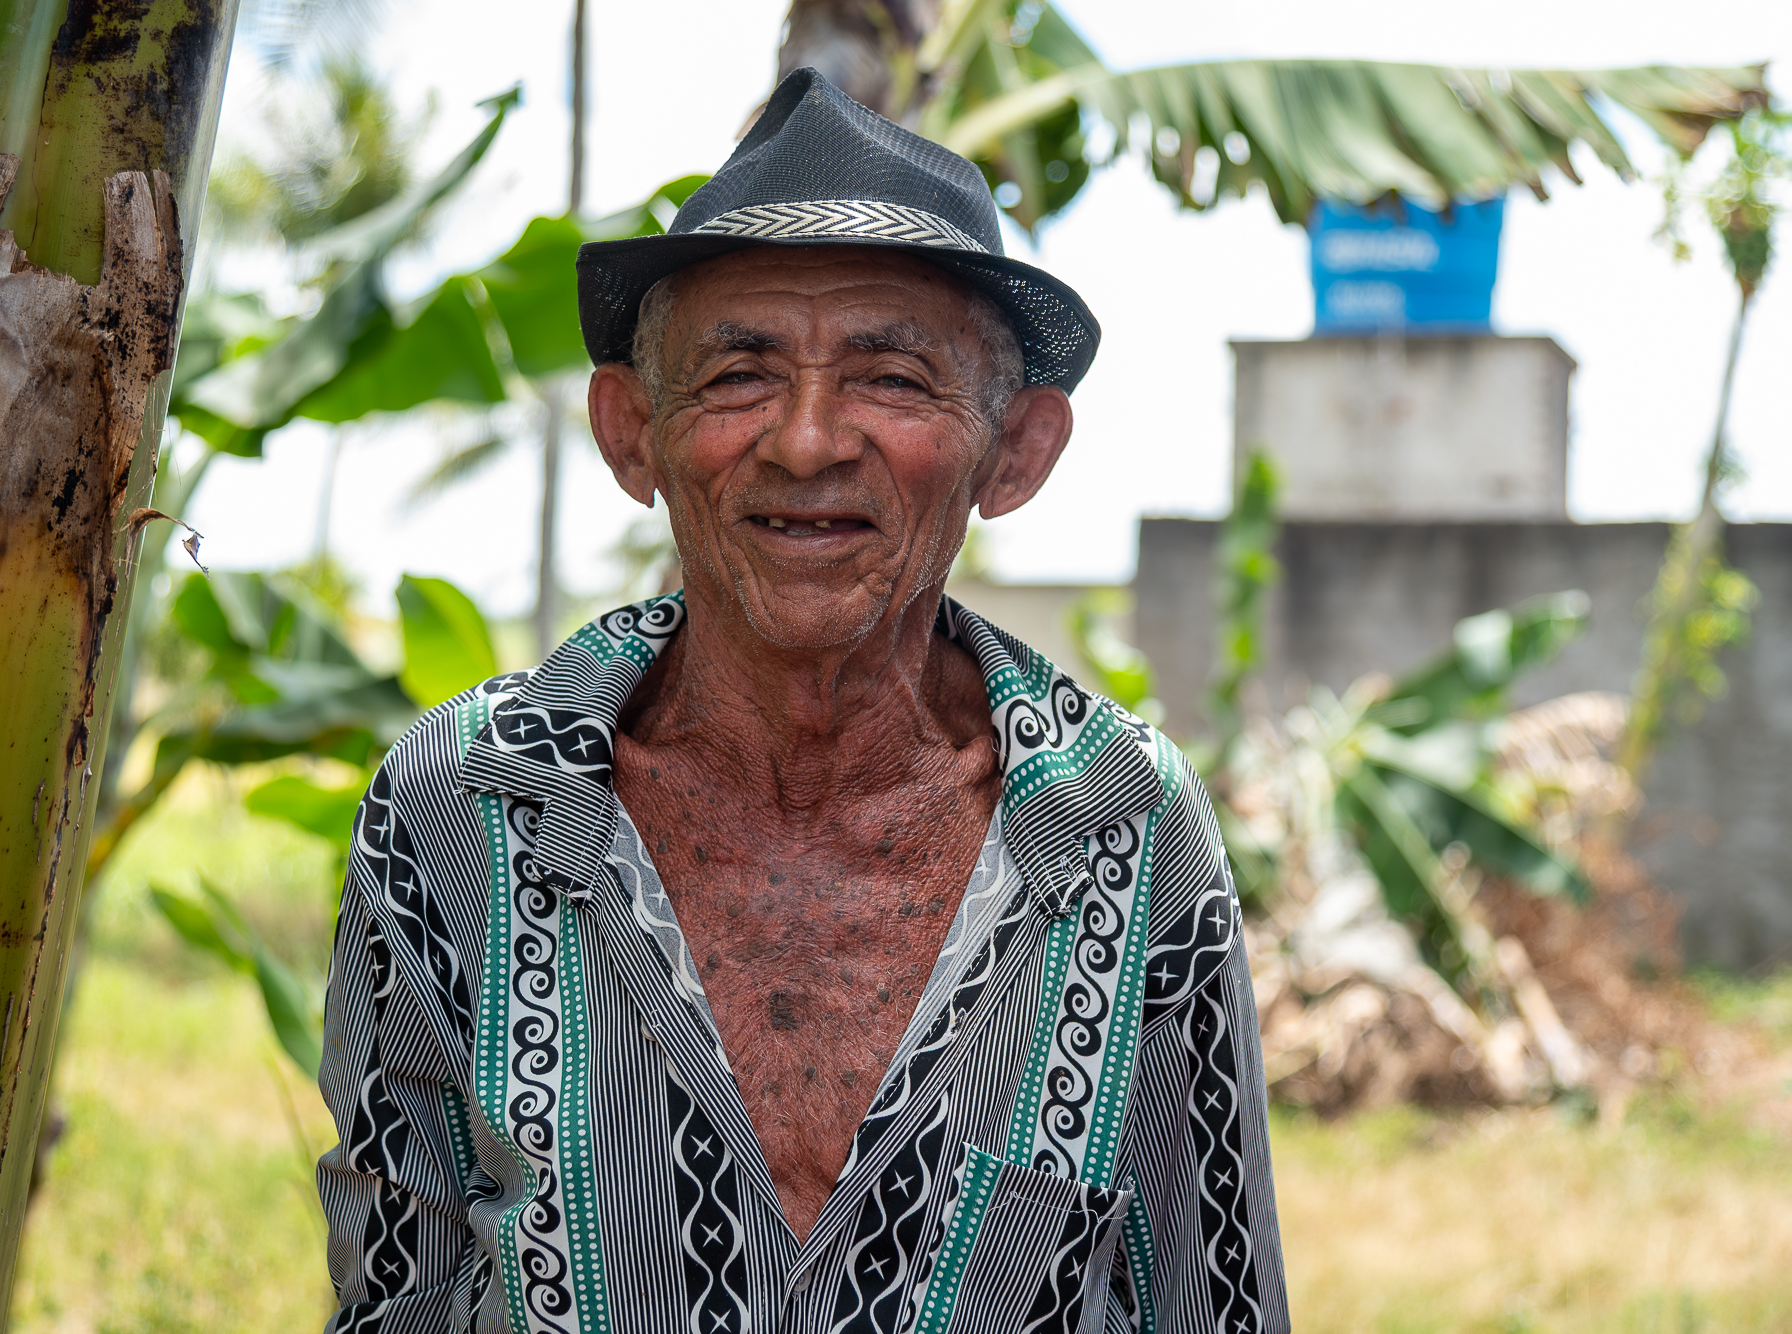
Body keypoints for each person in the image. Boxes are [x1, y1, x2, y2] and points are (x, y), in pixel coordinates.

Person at [319, 67, 1287, 1334]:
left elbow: (1216, 1305)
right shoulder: (460, 810)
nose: (809, 439)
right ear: (631, 435)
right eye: (736, 376)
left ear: (1017, 451)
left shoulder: (1123, 825)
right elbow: (391, 1300)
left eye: (890, 376)